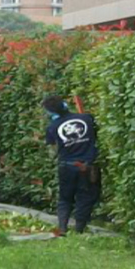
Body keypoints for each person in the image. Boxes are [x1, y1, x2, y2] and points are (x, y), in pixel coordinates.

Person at [42, 94, 99, 236]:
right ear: (65, 105)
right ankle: (79, 229)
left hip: (67, 165)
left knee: (65, 198)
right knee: (85, 198)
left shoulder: (53, 127)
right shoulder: (87, 118)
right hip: (86, 166)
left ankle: (62, 228)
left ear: (51, 112)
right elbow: (95, 136)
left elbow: (54, 149)